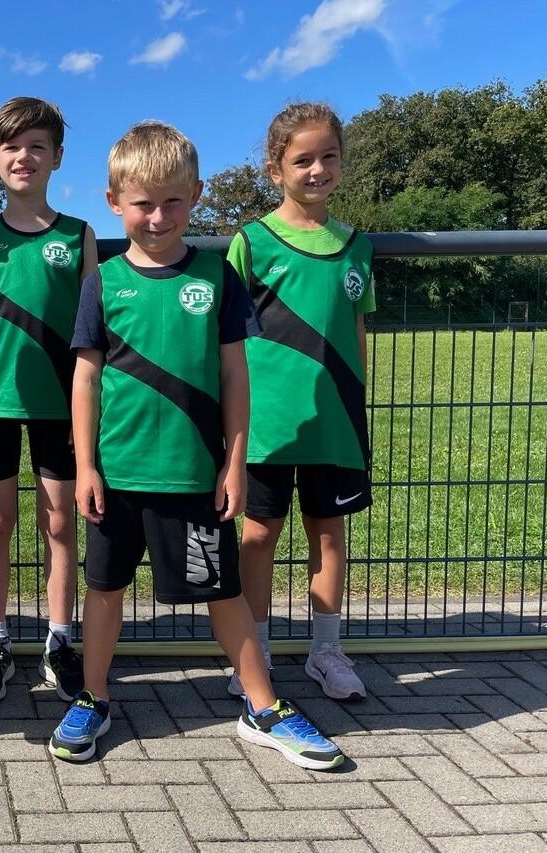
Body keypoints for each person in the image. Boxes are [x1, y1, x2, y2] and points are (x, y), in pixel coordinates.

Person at [48, 121, 344, 770]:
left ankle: (263, 708)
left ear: (197, 195)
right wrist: (86, 465)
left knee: (222, 593)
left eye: (173, 201)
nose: (158, 216)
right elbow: (86, 376)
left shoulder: (216, 277)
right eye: (142, 203)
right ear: (114, 202)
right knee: (103, 590)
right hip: (117, 478)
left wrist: (234, 464)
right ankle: (94, 698)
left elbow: (237, 376)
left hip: (192, 476)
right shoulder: (102, 281)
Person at [227, 103, 375, 701]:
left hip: (335, 424)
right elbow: (230, 340)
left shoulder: (356, 247)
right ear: (275, 169)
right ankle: (254, 649)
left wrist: (357, 406)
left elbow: (358, 336)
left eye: (328, 156)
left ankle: (326, 650)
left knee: (330, 534)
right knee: (259, 535)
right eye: (303, 159)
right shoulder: (251, 242)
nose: (318, 169)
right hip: (267, 425)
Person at [0, 97, 97, 703]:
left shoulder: (79, 234)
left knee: (61, 523)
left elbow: (94, 335)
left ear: (57, 157)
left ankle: (60, 640)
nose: (24, 157)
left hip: (61, 409)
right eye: (12, 146)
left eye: (37, 146)